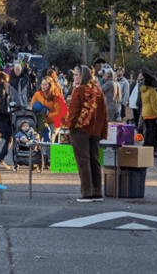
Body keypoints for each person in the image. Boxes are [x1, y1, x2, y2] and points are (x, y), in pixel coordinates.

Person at [64, 66, 108, 202]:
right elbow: (103, 114)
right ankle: (97, 192)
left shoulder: (79, 91)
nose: (74, 77)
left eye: (76, 75)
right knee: (95, 160)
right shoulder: (98, 91)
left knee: (83, 161)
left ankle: (87, 193)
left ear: (82, 76)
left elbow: (73, 113)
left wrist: (69, 127)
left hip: (80, 130)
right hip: (95, 130)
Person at [30, 77, 68, 143]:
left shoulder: (56, 96)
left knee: (50, 138)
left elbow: (59, 113)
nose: (43, 86)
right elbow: (31, 107)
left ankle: (48, 150)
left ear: (50, 86)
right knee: (36, 105)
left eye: (45, 85)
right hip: (41, 120)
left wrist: (47, 115)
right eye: (42, 84)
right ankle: (40, 151)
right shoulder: (37, 94)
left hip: (54, 121)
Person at [140, 72, 157, 157]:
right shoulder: (152, 92)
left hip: (145, 114)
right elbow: (155, 105)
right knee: (154, 134)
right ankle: (150, 151)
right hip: (153, 114)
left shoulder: (144, 91)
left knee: (149, 133)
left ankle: (145, 149)